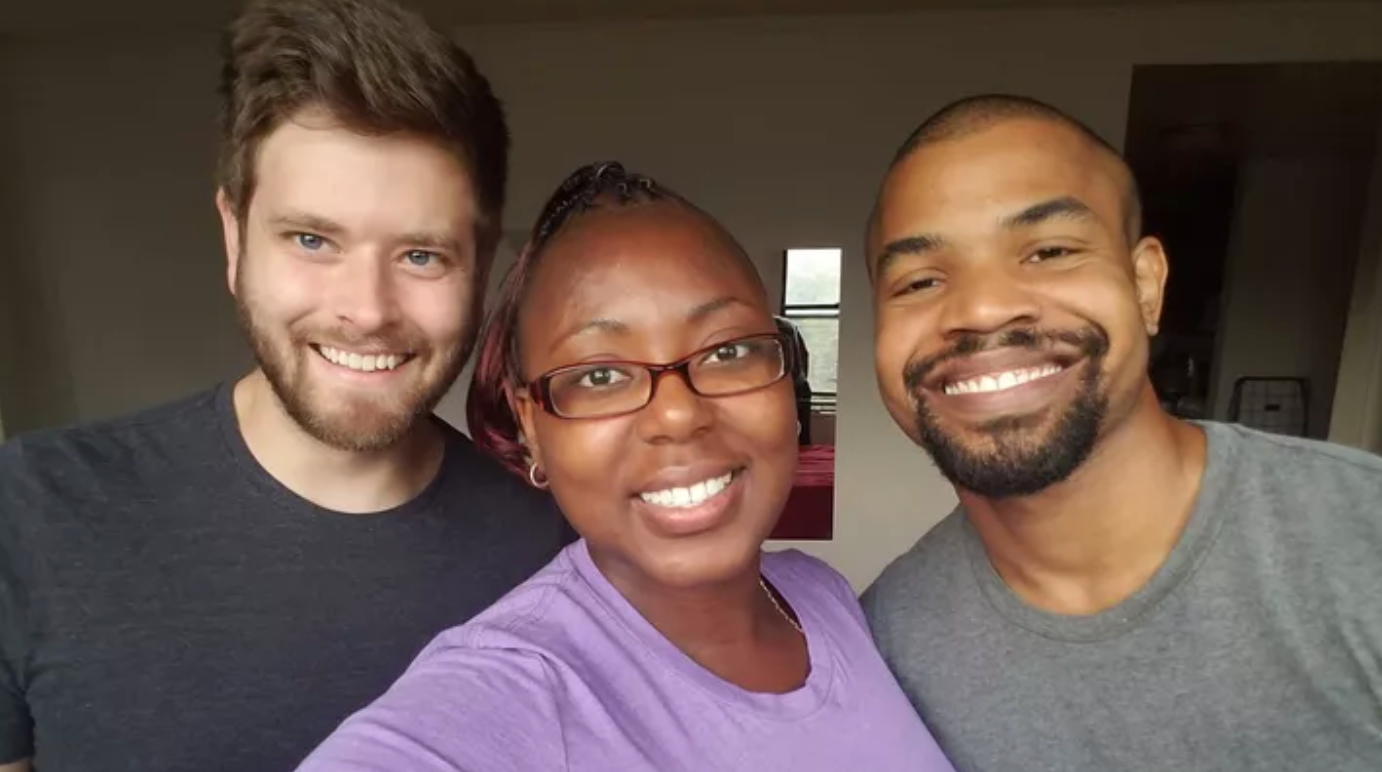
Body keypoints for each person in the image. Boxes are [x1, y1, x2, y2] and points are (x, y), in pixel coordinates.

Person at [0, 1, 571, 770]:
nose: (367, 311)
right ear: (234, 236)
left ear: (481, 262)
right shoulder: (30, 512)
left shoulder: (551, 554)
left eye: (421, 255)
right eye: (312, 239)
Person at [294, 162, 956, 772]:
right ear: (532, 428)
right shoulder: (518, 688)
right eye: (601, 374)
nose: (678, 415)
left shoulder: (820, 595)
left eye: (727, 352)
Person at [861, 93, 1382, 772]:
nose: (982, 308)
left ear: (1146, 286)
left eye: (1048, 251)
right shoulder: (885, 643)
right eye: (920, 281)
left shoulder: (1360, 541)